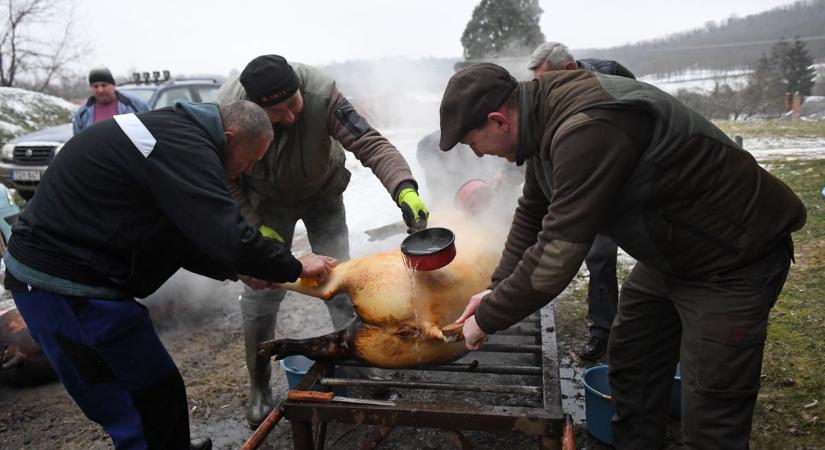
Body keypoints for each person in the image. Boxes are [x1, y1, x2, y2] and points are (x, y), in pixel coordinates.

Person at [443, 63, 806, 449]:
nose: (478, 154)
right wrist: (497, 288)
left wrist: (490, 317)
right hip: (670, 253)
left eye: (473, 143)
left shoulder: (587, 128)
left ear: (499, 121)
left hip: (733, 255)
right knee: (634, 363)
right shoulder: (541, 124)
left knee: (712, 410)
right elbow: (533, 211)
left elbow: (557, 254)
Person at [4, 99, 337, 450]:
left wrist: (237, 268)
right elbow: (227, 233)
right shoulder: (184, 146)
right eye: (251, 159)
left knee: (160, 386)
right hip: (63, 287)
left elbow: (176, 233)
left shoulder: (177, 135)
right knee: (136, 406)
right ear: (229, 136)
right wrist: (295, 265)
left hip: (89, 281)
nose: (248, 170)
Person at [216, 54, 428, 427]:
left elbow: (370, 143)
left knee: (338, 280)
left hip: (323, 194)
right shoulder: (229, 112)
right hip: (264, 204)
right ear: (256, 109)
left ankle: (359, 364)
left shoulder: (321, 94)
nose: (293, 116)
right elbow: (226, 176)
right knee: (262, 293)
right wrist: (254, 227)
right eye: (278, 112)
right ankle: (259, 386)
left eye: (294, 103)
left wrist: (404, 189)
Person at [526, 41, 636, 360]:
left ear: (570, 71)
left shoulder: (612, 75)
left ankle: (668, 331)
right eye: (536, 85)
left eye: (546, 83)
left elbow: (643, 114)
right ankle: (602, 332)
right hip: (586, 181)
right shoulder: (547, 100)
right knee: (600, 255)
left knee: (655, 259)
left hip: (623, 176)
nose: (540, 93)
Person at [72, 67, 149, 134]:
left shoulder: (134, 105)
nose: (100, 90)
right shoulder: (82, 113)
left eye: (104, 85)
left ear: (113, 85)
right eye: (95, 86)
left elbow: (150, 128)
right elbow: (78, 141)